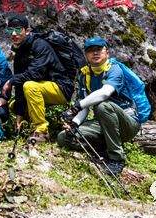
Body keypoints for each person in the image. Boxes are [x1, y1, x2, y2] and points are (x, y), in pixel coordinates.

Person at [57, 37, 142, 175]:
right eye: (90, 51)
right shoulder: (85, 75)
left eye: (98, 50)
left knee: (102, 106)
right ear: (86, 55)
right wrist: (74, 123)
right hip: (102, 123)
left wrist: (75, 107)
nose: (95, 53)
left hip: (127, 123)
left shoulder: (114, 69)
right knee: (64, 137)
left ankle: (116, 159)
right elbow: (84, 107)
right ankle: (104, 148)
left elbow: (104, 93)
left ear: (107, 52)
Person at [2, 15, 74, 144]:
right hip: (41, 88)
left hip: (61, 88)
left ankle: (42, 131)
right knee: (14, 104)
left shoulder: (40, 45)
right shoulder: (20, 52)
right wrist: (18, 117)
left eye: (18, 30)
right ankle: (24, 125)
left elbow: (35, 74)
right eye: (10, 30)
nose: (13, 34)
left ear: (27, 31)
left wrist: (10, 81)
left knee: (30, 86)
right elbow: (19, 86)